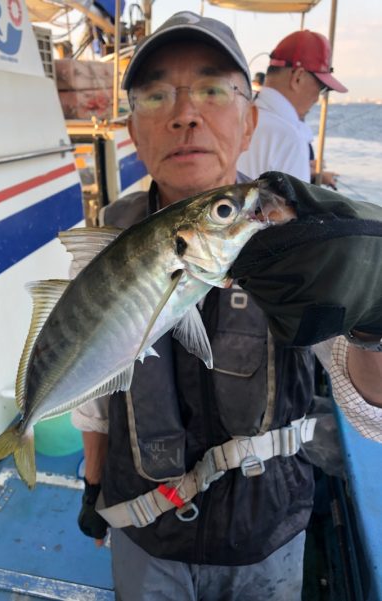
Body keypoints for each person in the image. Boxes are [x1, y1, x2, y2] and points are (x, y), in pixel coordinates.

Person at [71, 12, 382, 600]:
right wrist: (92, 486)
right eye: (157, 94)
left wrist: (372, 322)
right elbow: (93, 394)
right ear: (134, 131)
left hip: (266, 535)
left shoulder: (298, 241)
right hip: (146, 529)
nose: (185, 113)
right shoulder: (107, 243)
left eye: (213, 90)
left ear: (249, 123)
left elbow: (372, 411)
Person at [237, 30, 347, 185]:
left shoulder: (239, 117)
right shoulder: (289, 138)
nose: (317, 98)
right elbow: (295, 208)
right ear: (298, 77)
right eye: (320, 87)